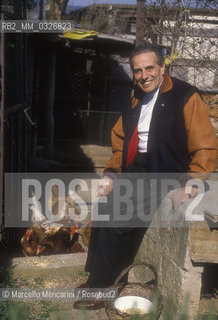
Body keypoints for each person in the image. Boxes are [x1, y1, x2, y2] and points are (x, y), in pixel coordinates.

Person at [74, 43, 217, 310]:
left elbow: (205, 144)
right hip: (138, 167)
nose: (144, 75)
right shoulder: (136, 100)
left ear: (162, 68)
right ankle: (98, 278)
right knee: (104, 207)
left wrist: (194, 181)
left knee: (120, 216)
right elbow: (120, 138)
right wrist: (112, 173)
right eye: (137, 70)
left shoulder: (185, 95)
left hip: (167, 171)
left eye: (150, 68)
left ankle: (106, 288)